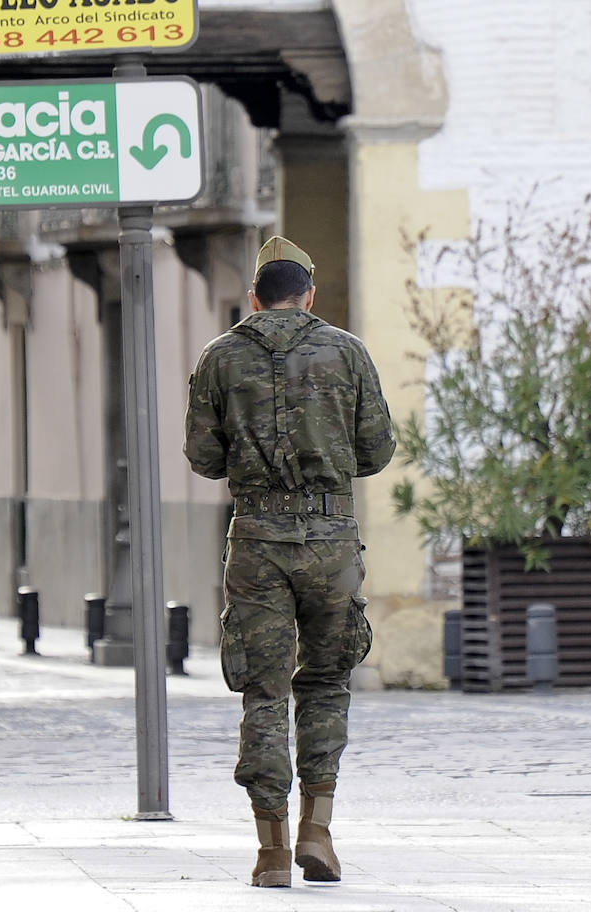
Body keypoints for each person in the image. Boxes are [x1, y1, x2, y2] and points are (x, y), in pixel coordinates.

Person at [183, 235, 396, 888]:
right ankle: (319, 831)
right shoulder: (347, 352)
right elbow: (377, 450)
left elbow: (203, 457)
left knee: (264, 690)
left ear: (254, 296)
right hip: (331, 541)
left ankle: (271, 852)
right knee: (327, 684)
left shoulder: (218, 358)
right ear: (308, 295)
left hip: (256, 542)